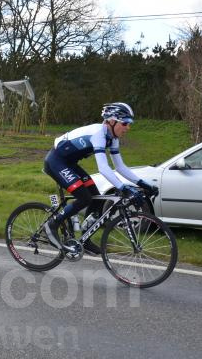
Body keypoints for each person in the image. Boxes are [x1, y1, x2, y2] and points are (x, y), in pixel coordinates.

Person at [41, 102, 157, 254]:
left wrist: (144, 184)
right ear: (112, 121)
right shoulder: (98, 134)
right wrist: (123, 187)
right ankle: (52, 225)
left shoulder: (112, 138)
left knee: (96, 198)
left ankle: (85, 239)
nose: (128, 128)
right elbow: (103, 168)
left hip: (69, 163)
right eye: (125, 123)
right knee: (84, 197)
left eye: (129, 124)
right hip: (55, 162)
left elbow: (120, 167)